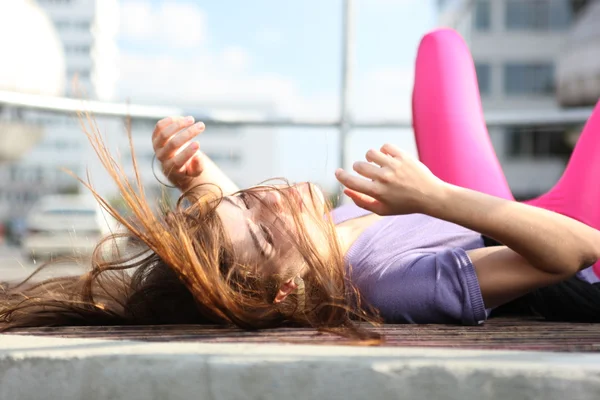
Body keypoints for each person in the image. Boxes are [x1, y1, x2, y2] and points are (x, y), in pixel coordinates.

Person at [2, 115, 600, 335]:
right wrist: (437, 196)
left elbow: (223, 204)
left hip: (486, 201)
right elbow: (575, 250)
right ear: (288, 290)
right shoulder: (386, 282)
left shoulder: (289, 241)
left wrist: (179, 162)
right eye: (264, 229)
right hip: (564, 227)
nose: (273, 200)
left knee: (439, 46)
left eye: (253, 200)